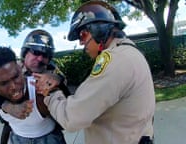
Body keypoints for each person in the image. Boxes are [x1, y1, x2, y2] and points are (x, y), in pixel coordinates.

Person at [33, 1, 155, 144]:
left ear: (100, 30)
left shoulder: (115, 61)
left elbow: (71, 118)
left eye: (83, 35)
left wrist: (50, 92)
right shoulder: (129, 52)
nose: (81, 43)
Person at [0, 30, 69, 144]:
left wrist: (57, 79)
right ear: (25, 53)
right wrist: (7, 106)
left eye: (45, 55)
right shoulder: (10, 66)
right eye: (35, 52)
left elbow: (67, 105)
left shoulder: (52, 73)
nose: (40, 59)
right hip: (16, 130)